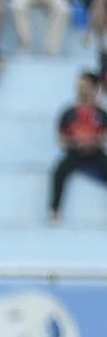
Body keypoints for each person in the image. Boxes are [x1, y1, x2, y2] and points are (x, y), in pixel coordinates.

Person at [50, 70, 107, 223]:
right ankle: (54, 211)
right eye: (80, 86)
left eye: (85, 87)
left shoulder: (101, 114)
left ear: (95, 89)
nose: (81, 90)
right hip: (74, 153)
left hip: (96, 153)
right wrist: (76, 143)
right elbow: (60, 138)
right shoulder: (68, 113)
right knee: (59, 172)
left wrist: (94, 142)